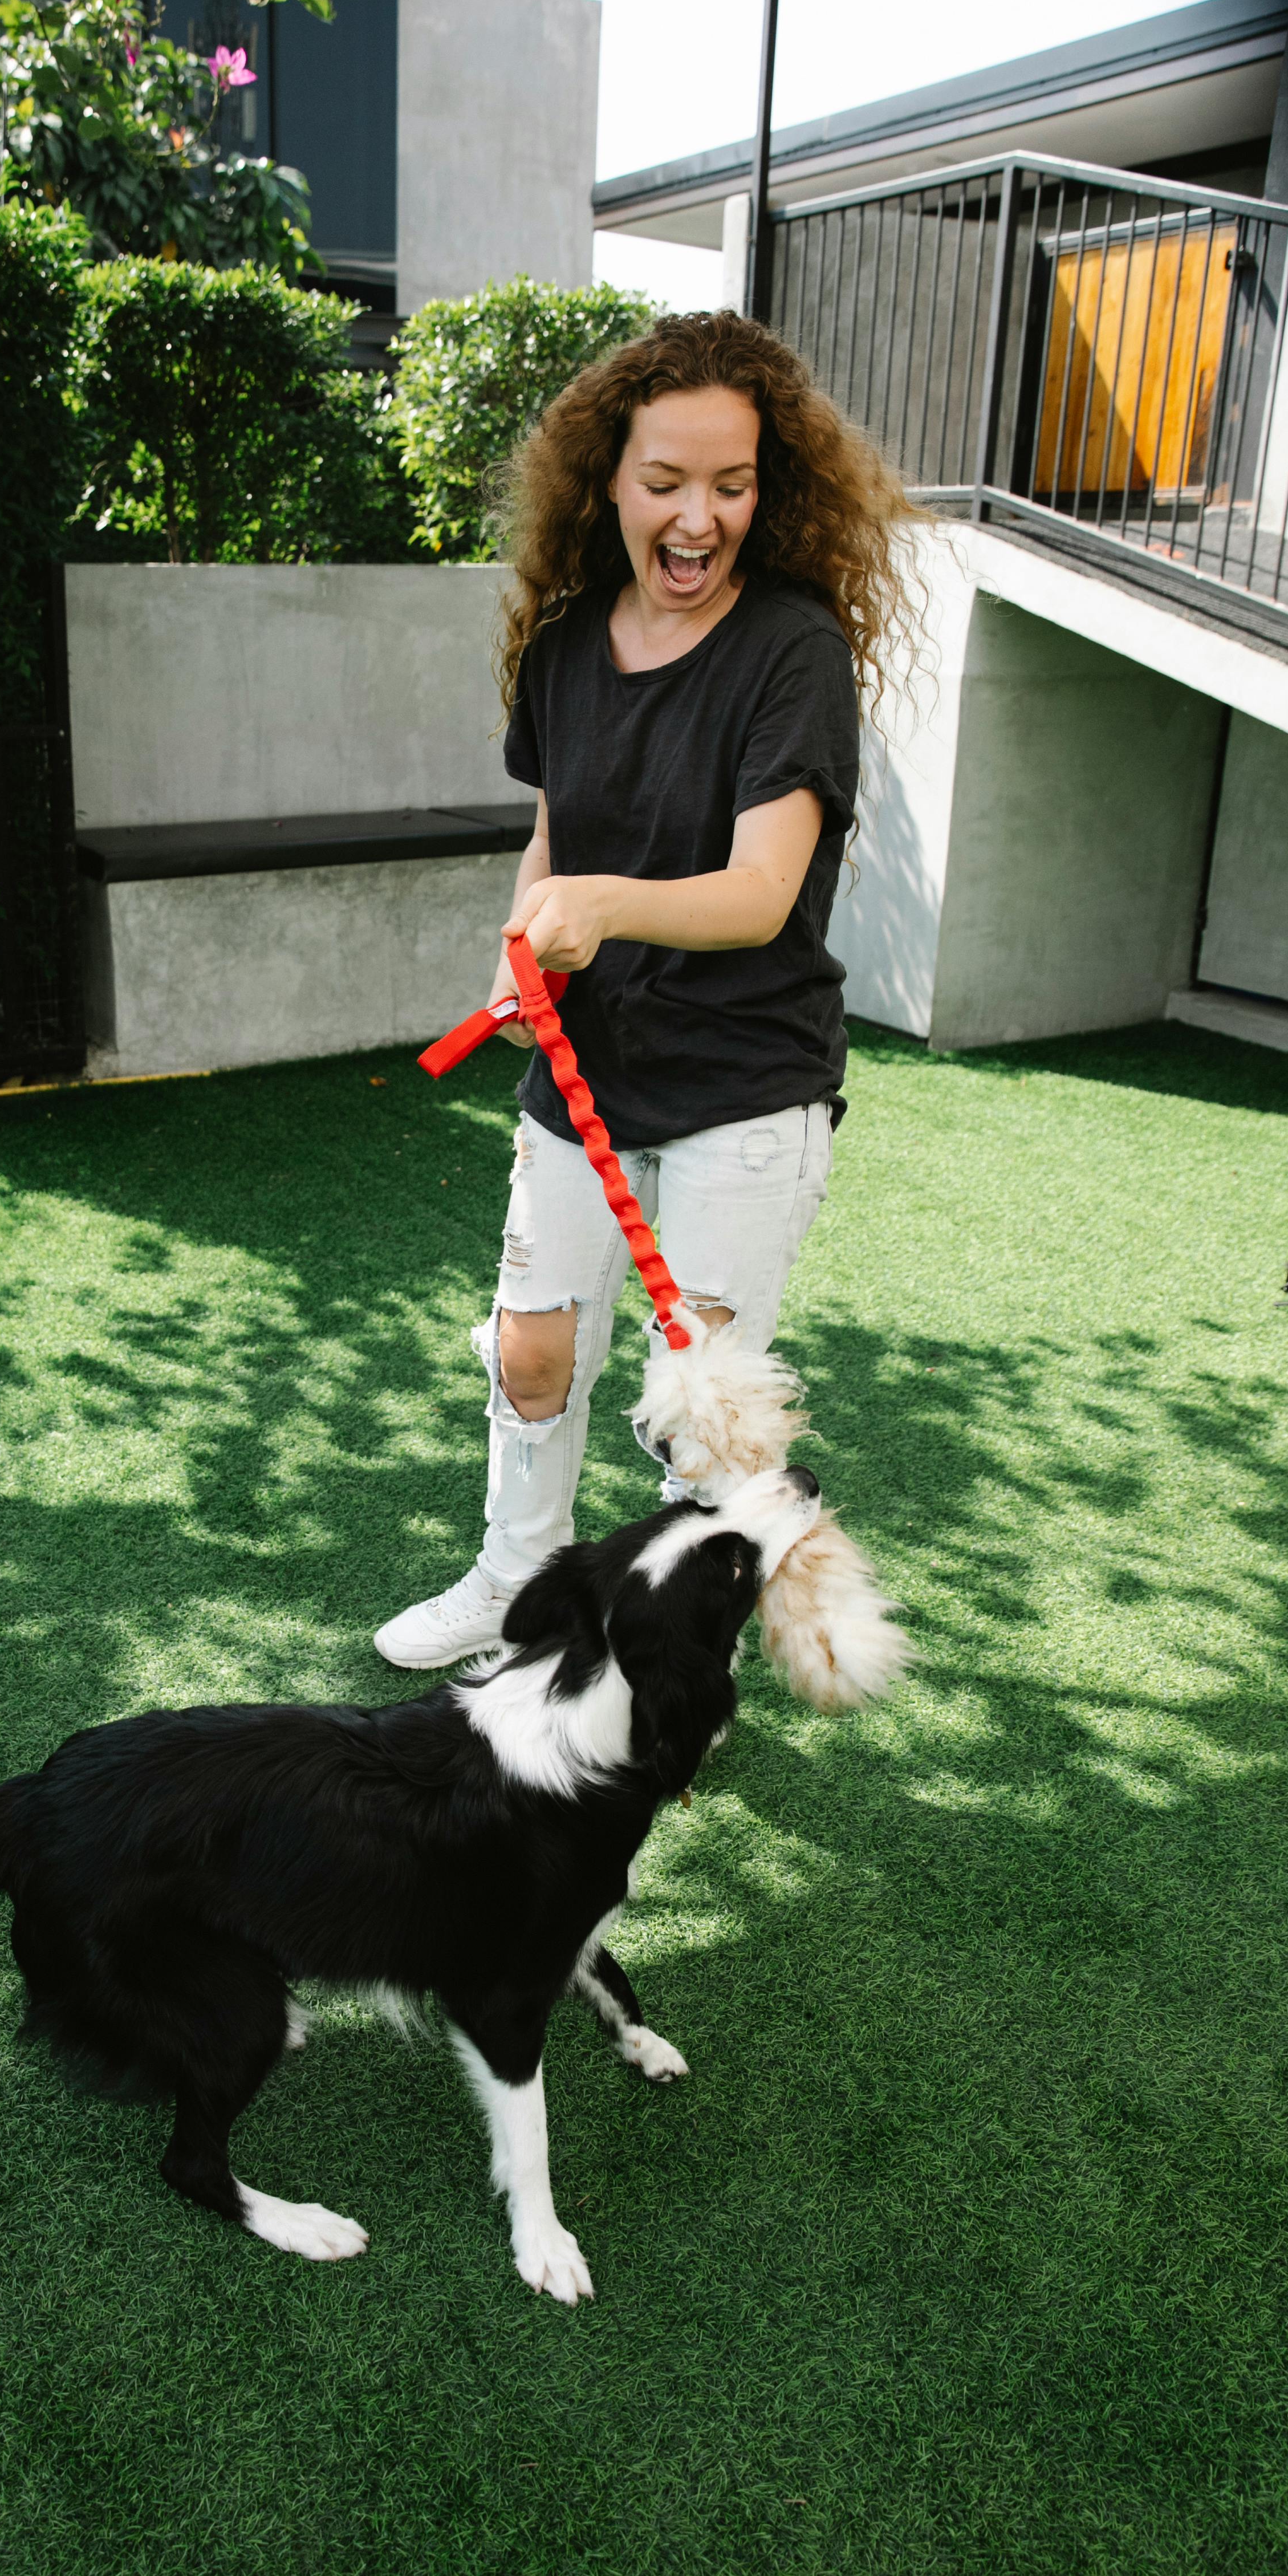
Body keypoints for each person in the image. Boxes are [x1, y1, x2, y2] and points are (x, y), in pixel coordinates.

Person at [375, 309, 921, 1671]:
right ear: (606, 484)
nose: (698, 518)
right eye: (665, 483)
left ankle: (677, 1668)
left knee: (702, 1417)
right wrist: (525, 935)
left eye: (730, 486)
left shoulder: (791, 650)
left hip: (745, 1085)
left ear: (767, 489)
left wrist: (601, 913)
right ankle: (517, 1588)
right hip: (583, 1074)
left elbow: (759, 893)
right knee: (532, 1350)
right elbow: (561, 832)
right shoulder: (564, 646)